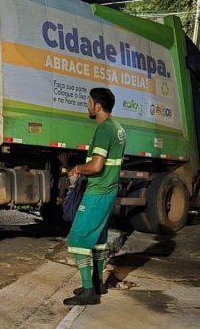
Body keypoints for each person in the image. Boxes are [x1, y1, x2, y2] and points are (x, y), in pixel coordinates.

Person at [63, 87, 126, 306]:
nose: (87, 105)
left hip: (97, 193)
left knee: (78, 238)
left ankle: (89, 292)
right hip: (109, 191)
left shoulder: (104, 129)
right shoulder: (117, 128)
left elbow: (97, 165)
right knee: (98, 240)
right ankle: (98, 284)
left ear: (98, 106)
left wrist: (77, 169)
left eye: (89, 102)